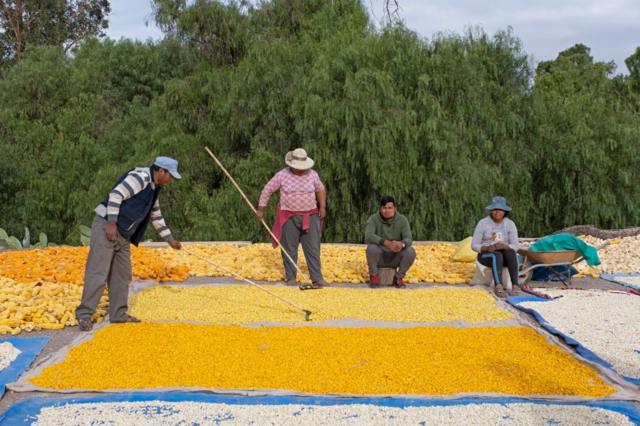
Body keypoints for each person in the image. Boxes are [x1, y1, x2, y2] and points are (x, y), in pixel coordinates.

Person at [75, 157, 182, 331]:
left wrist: (169, 239)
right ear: (161, 171)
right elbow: (116, 195)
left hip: (123, 233)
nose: (172, 180)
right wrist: (111, 223)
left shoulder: (155, 188)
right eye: (171, 176)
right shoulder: (140, 178)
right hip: (107, 226)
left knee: (122, 274)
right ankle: (85, 315)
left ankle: (118, 314)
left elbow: (155, 215)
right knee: (98, 272)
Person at [257, 148, 327, 289]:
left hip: (310, 215)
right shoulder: (282, 175)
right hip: (288, 216)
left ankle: (317, 278)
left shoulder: (313, 175)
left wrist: (322, 207)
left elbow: (320, 189)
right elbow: (267, 189)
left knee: (313, 247)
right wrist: (261, 209)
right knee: (289, 248)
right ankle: (291, 277)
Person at [471, 196, 519, 296]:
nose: (497, 212)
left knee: (511, 252)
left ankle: (515, 285)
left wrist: (505, 246)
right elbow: (474, 245)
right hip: (486, 255)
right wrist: (486, 248)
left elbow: (515, 246)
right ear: (491, 210)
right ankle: (498, 285)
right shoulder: (483, 223)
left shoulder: (510, 224)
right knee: (496, 255)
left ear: (505, 211)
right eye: (495, 209)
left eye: (500, 210)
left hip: (504, 253)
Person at [365, 196, 416, 288]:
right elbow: (368, 235)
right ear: (380, 209)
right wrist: (386, 243)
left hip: (395, 256)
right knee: (371, 248)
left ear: (395, 208)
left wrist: (401, 244)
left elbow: (409, 238)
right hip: (380, 256)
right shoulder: (373, 219)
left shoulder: (402, 220)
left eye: (390, 208)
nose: (387, 211)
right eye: (384, 208)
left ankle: (398, 278)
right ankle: (374, 277)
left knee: (410, 251)